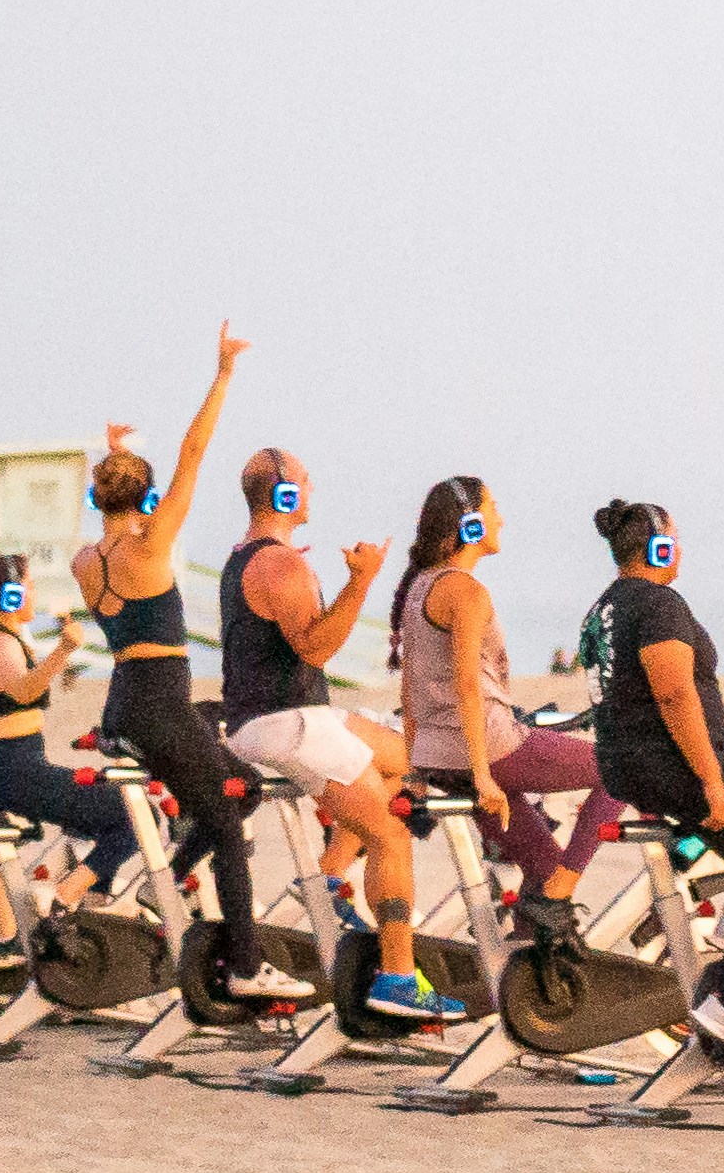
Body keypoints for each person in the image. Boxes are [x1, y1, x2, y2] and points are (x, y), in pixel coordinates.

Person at [218, 446, 445, 1028]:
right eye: (305, 484)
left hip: (279, 719)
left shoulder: (247, 556)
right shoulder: (279, 565)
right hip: (288, 724)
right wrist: (362, 582)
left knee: (409, 758)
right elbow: (317, 648)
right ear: (284, 495)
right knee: (391, 835)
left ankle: (330, 880)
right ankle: (397, 976)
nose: (313, 492)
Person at [573, 497, 724, 1061]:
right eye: (674, 539)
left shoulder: (607, 605)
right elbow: (673, 693)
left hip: (628, 758)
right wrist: (710, 782)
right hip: (668, 758)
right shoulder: (658, 604)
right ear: (658, 545)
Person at [77, 331, 255, 948]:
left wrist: (112, 461)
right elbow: (194, 451)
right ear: (144, 497)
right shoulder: (149, 548)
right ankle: (244, 961)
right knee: (229, 820)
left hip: (125, 698)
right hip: (157, 702)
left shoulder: (84, 561)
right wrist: (223, 376)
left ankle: (167, 880)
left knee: (241, 783)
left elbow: (118, 499)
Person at [394, 476, 612, 968]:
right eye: (493, 510)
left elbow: (410, 690)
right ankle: (562, 890)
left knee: (542, 864)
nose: (501, 520)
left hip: (437, 759)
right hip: (489, 749)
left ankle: (527, 965)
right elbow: (468, 687)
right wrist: (484, 775)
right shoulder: (465, 590)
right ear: (469, 524)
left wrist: (414, 769)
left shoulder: (418, 588)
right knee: (619, 767)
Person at [0, 557, 143, 881]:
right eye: (30, 586)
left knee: (86, 819)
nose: (34, 594)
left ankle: (27, 918)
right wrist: (63, 649)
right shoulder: (0, 644)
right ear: (10, 594)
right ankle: (67, 898)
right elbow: (24, 692)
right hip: (18, 769)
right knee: (131, 816)